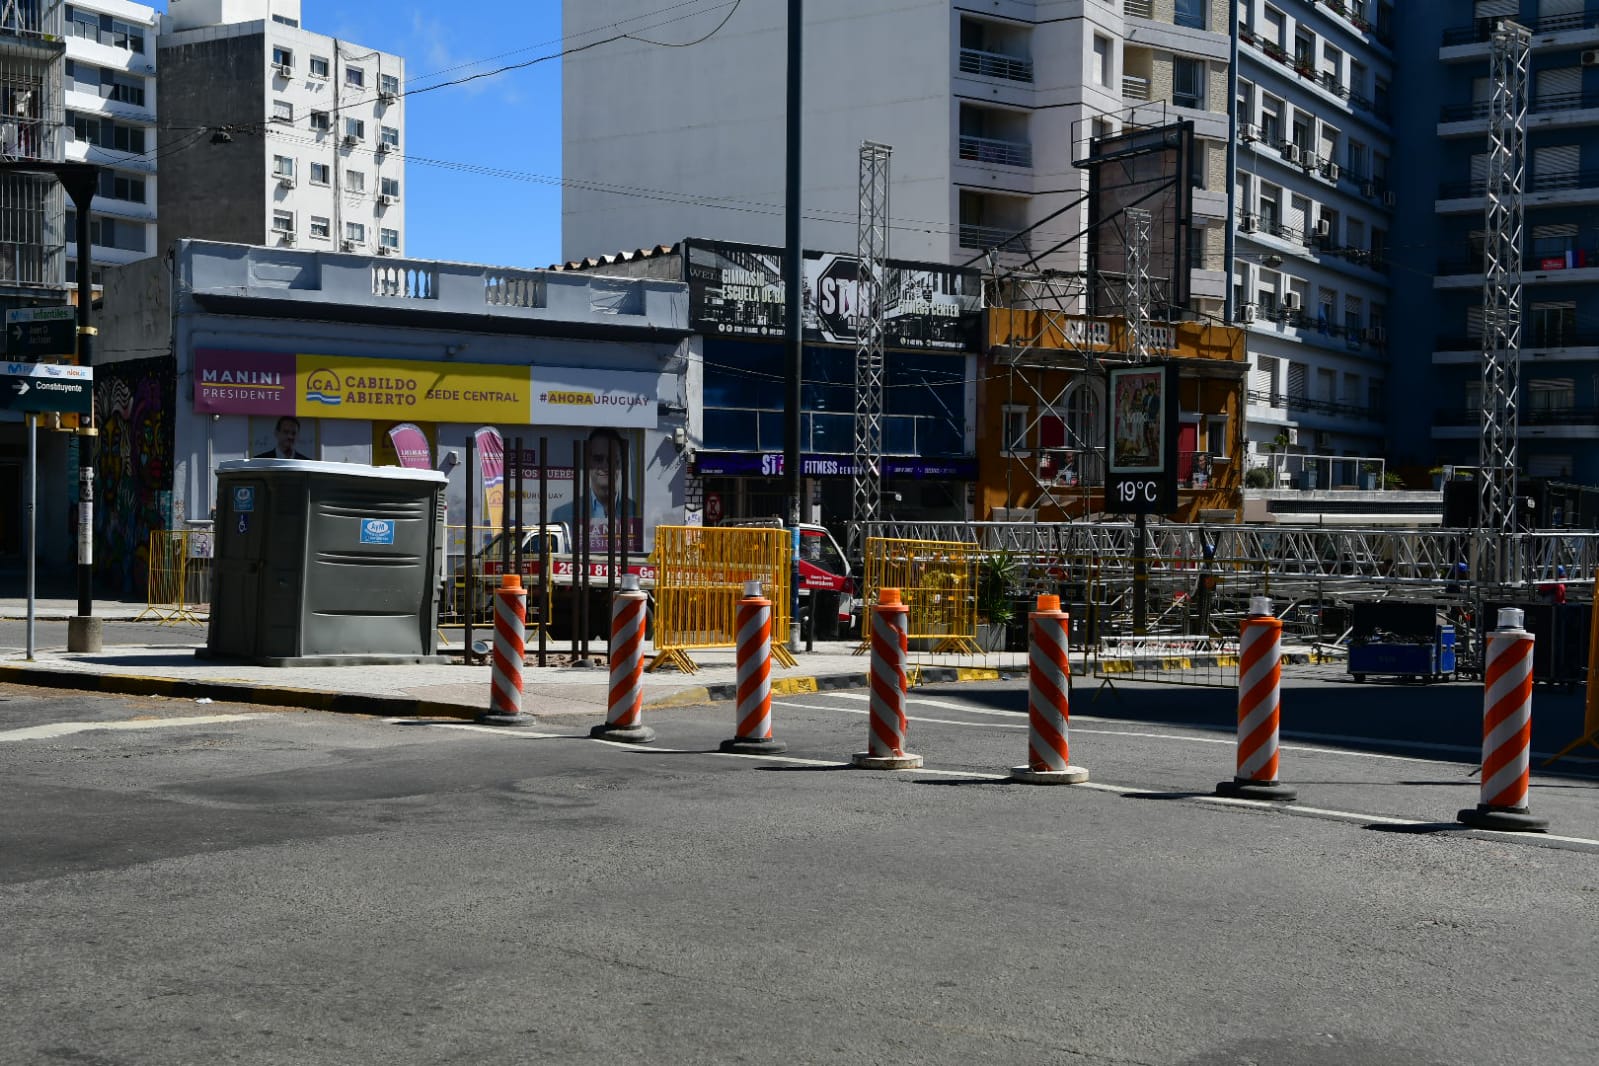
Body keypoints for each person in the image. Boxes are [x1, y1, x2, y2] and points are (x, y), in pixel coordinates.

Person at [551, 428, 638, 530]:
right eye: (598, 459)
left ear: (621, 463)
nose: (605, 466)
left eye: (612, 459)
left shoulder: (636, 511)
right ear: (588, 463)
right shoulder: (562, 514)